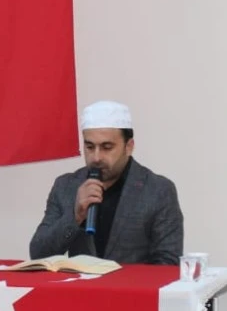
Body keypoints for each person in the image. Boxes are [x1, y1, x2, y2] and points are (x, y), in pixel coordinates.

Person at [28, 100, 183, 265]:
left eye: (107, 147)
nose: (96, 157)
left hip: (131, 282)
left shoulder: (158, 190)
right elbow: (38, 254)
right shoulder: (66, 186)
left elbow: (168, 263)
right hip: (80, 282)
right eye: (89, 147)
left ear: (129, 146)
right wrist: (75, 216)